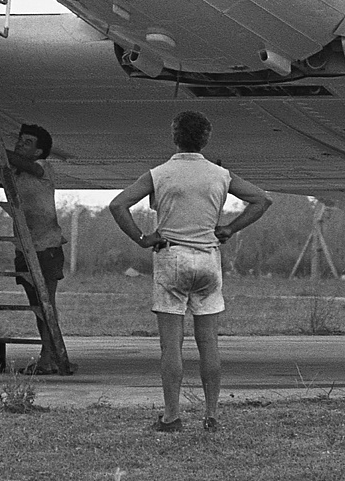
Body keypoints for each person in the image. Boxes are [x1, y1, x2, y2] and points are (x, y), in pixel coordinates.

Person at [108, 110, 272, 433]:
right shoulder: (220, 175)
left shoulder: (160, 174)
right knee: (208, 341)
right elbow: (262, 200)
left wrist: (144, 238)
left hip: (172, 257)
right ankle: (211, 415)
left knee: (172, 345)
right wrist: (229, 229)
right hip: (208, 258)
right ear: (206, 138)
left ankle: (171, 416)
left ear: (174, 135)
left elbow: (118, 205)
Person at [5, 122, 72, 375]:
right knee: (38, 305)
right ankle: (53, 354)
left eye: (28, 142)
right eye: (20, 139)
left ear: (39, 152)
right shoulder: (15, 171)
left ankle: (49, 358)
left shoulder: (42, 167)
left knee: (46, 304)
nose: (21, 143)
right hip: (25, 247)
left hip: (46, 247)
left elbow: (27, 166)